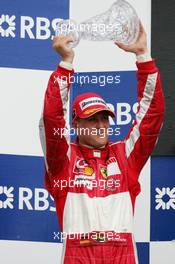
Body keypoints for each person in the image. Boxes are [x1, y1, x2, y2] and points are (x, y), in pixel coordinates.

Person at [39, 23, 164, 264]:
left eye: (104, 118)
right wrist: (65, 65)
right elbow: (51, 117)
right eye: (91, 119)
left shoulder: (125, 156)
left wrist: (143, 57)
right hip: (78, 256)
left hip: (122, 256)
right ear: (76, 125)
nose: (100, 125)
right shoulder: (63, 161)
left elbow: (151, 118)